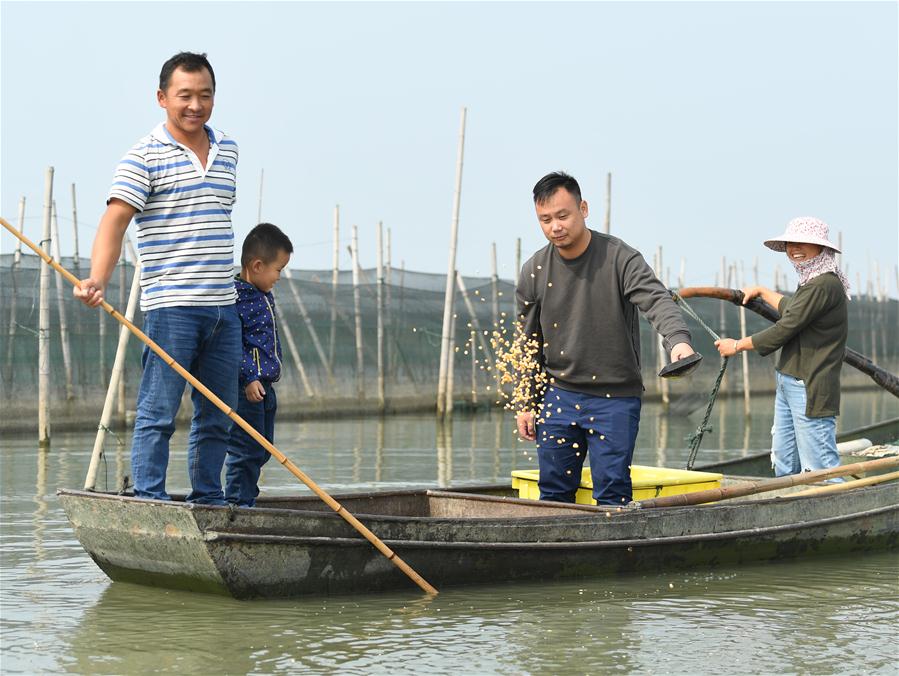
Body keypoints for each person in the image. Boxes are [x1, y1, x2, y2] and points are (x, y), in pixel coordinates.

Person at [74, 52, 240, 504]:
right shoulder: (142, 156)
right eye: (184, 95)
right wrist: (97, 279)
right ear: (162, 98)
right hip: (172, 307)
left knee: (219, 415)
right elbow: (115, 221)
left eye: (204, 95)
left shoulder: (228, 148)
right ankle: (150, 499)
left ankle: (209, 499)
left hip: (225, 307)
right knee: (159, 412)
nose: (195, 105)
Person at [516, 172, 695, 505]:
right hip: (558, 395)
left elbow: (656, 299)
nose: (555, 226)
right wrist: (526, 402)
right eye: (545, 219)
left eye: (563, 215)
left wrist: (679, 341)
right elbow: (528, 342)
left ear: (583, 209)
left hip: (614, 397)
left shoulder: (619, 258)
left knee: (612, 490)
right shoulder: (534, 271)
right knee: (553, 493)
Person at [715, 217, 850, 478]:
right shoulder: (812, 282)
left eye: (803, 243)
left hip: (809, 385)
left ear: (821, 248)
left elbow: (785, 328)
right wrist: (763, 291)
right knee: (784, 459)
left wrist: (736, 345)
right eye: (790, 243)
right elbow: (792, 309)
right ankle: (792, 508)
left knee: (820, 465)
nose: (794, 248)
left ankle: (838, 510)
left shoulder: (824, 284)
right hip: (790, 380)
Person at [224, 223, 293, 507]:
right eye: (278, 270)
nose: (279, 277)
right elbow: (233, 342)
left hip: (265, 386)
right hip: (248, 387)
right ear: (257, 265)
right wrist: (249, 377)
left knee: (263, 448)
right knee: (246, 449)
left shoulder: (262, 295)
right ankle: (238, 503)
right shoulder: (236, 296)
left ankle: (247, 497)